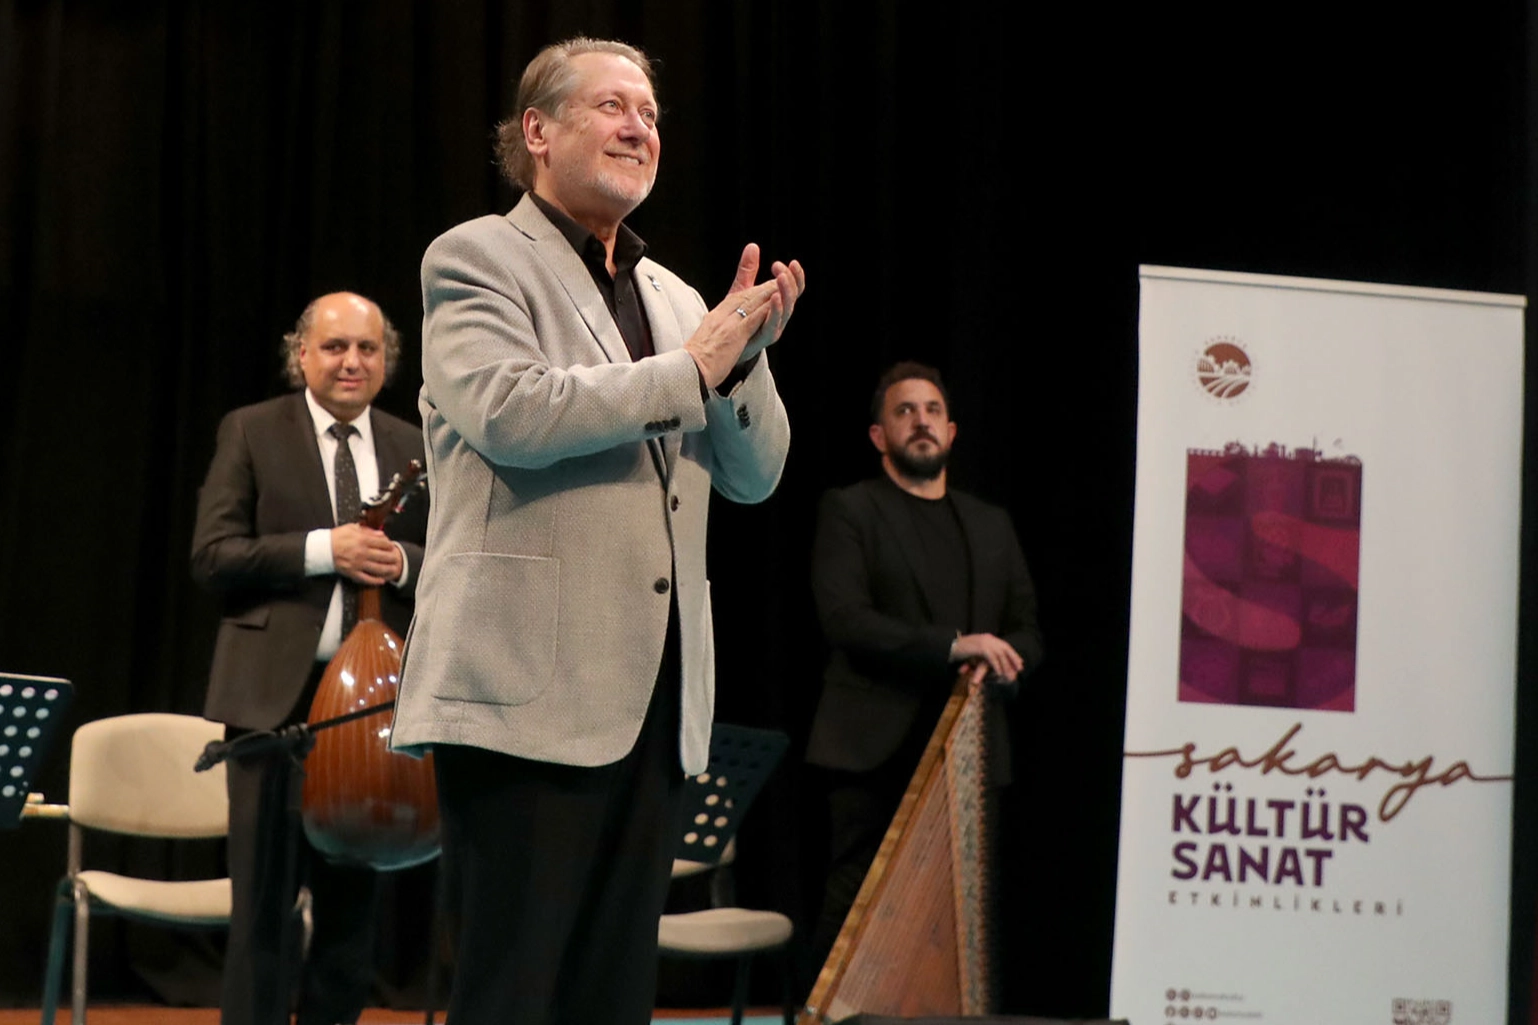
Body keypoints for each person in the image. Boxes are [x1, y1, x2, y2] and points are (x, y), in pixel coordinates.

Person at [389, 37, 805, 1025]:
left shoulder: (678, 298)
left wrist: (743, 360)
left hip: (650, 694)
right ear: (536, 130)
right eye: (613, 106)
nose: (638, 127)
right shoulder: (476, 256)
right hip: (524, 685)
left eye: (650, 113)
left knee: (612, 996)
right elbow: (511, 412)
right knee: (513, 991)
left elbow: (756, 476)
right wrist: (691, 368)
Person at [190, 291, 429, 1025]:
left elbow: (459, 560)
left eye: (367, 348)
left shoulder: (417, 442)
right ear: (302, 355)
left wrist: (402, 563)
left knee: (352, 926)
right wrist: (327, 548)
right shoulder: (252, 430)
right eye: (334, 346)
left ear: (387, 359)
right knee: (261, 917)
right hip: (273, 708)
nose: (352, 361)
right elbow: (212, 555)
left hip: (372, 712)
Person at [805, 361, 1043, 967]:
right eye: (904, 411)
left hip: (970, 750)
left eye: (933, 410)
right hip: (872, 749)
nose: (921, 421)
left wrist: (1002, 662)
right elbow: (845, 619)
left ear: (952, 431)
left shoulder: (990, 524)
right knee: (855, 905)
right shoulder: (851, 510)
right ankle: (822, 1011)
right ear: (878, 435)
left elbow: (1027, 631)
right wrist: (955, 645)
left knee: (960, 918)